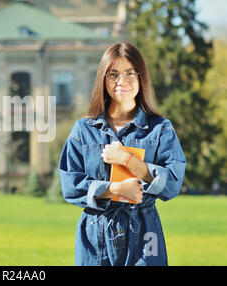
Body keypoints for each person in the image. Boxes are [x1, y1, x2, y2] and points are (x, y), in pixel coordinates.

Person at [59, 42, 187, 266]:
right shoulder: (83, 130)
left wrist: (128, 161)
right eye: (113, 74)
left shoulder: (160, 129)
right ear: (103, 79)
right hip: (95, 236)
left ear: (141, 78)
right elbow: (70, 185)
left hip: (146, 236)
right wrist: (116, 189)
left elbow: (173, 183)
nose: (122, 81)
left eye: (130, 73)